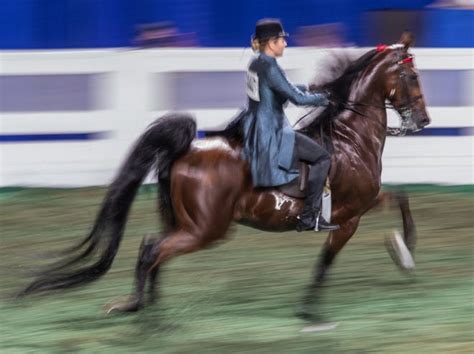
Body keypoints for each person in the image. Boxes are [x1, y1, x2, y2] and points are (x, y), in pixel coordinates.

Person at [242, 18, 339, 232]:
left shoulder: (256, 62)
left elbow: (281, 88)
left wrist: (308, 87)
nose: (285, 44)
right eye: (282, 40)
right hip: (271, 132)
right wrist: (326, 98)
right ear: (271, 43)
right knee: (322, 157)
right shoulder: (270, 67)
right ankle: (310, 217)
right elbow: (297, 100)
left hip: (254, 127)